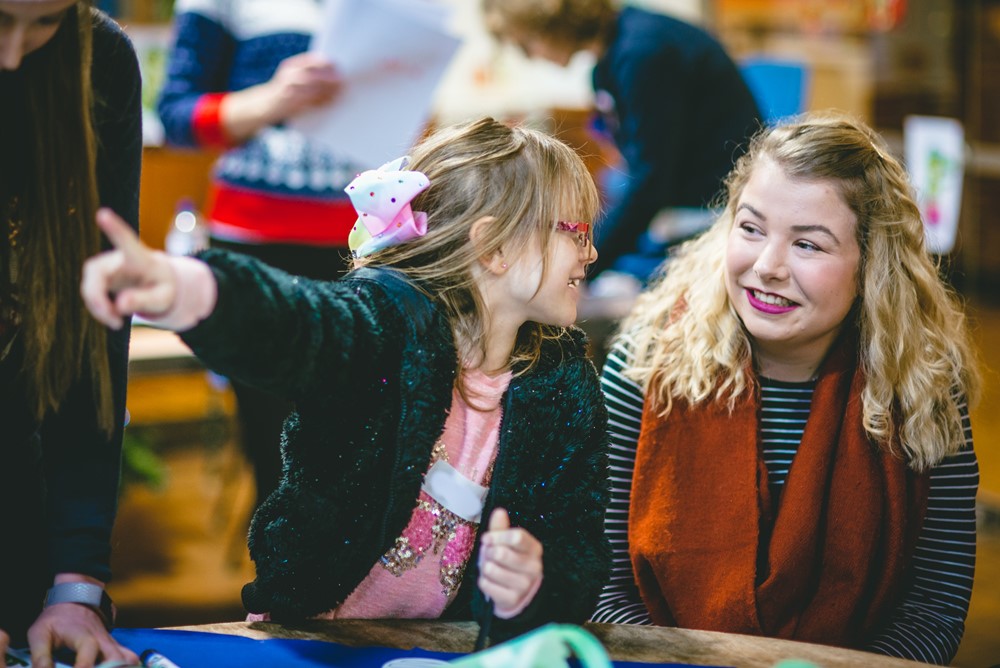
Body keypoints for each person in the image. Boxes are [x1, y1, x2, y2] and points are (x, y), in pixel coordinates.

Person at [81, 117, 612, 641]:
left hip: (451, 651)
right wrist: (189, 290)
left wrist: (533, 586)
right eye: (576, 231)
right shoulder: (385, 325)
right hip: (315, 642)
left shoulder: (564, 385)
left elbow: (579, 547)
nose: (591, 252)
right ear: (494, 247)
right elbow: (298, 322)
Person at [591, 112, 980, 665]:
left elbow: (932, 612)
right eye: (751, 229)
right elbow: (601, 584)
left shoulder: (924, 389)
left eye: (809, 245)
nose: (767, 266)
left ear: (872, 265)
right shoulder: (645, 363)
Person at [157, 0, 362, 509]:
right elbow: (176, 116)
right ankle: (283, 584)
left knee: (355, 441)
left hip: (366, 242)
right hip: (256, 243)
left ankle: (356, 589)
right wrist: (271, 100)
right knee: (276, 448)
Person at [0, 1, 142, 666]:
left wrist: (75, 587)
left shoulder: (102, 61)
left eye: (46, 21)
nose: (13, 53)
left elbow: (92, 352)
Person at [482, 0, 762, 282]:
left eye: (526, 44)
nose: (530, 56)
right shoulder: (613, 57)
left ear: (551, 24)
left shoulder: (643, 53)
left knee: (610, 287)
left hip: (713, 208)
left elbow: (650, 182)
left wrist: (584, 267)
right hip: (682, 200)